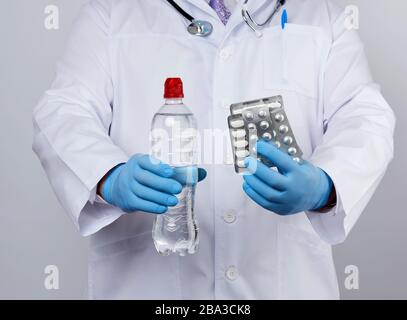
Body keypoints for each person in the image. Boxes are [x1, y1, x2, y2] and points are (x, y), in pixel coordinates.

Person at [32, 0, 395, 299]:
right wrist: (107, 176)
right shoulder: (112, 12)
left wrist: (326, 184)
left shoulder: (322, 14)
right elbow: (63, 111)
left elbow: (365, 117)